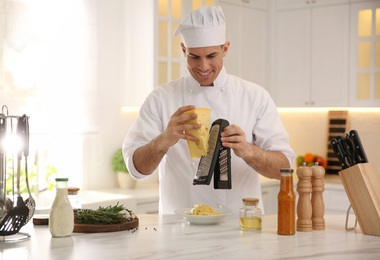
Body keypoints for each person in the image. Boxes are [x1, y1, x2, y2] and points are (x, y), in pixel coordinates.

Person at [123, 6, 295, 214]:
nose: (203, 66)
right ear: (184, 50)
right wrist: (164, 140)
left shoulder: (255, 97)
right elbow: (136, 170)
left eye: (211, 55)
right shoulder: (161, 98)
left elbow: (284, 169)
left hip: (239, 228)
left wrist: (248, 151)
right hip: (179, 231)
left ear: (226, 49)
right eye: (194, 57)